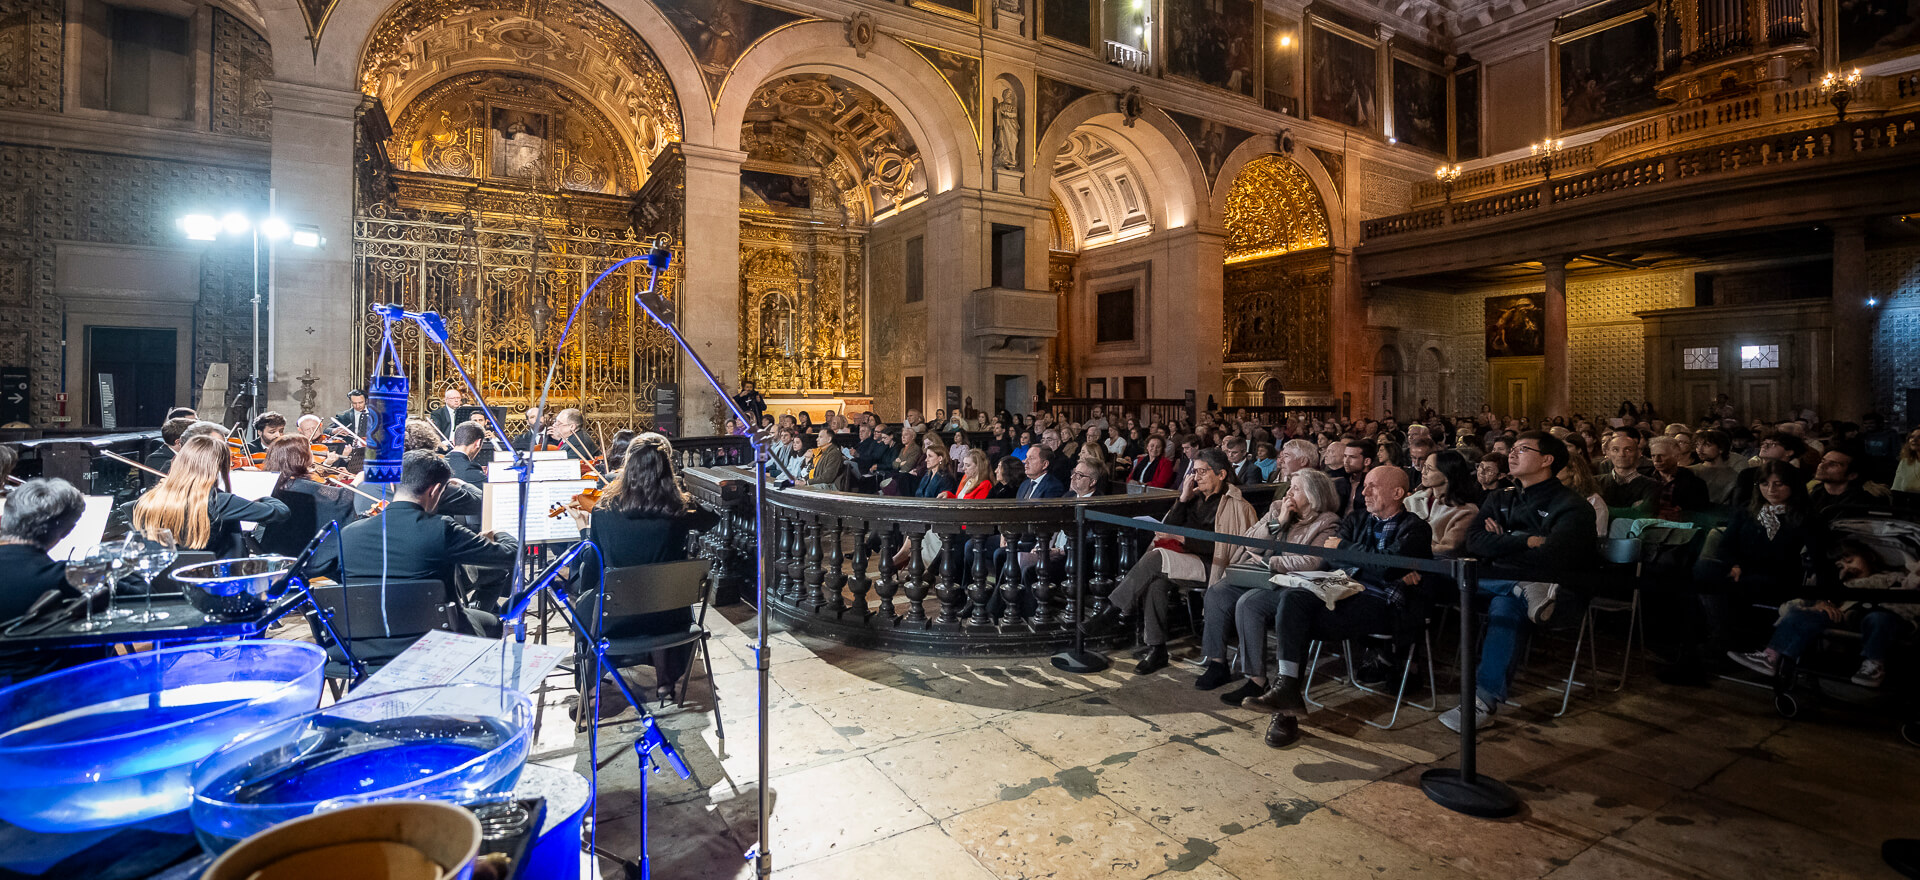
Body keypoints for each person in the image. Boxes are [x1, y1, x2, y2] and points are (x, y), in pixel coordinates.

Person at [1240, 466, 1433, 747]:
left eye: (1373, 487)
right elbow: (1329, 558)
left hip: (1383, 605)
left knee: (1295, 624)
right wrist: (1376, 563)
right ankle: (1286, 698)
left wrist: (1352, 553)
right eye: (1364, 485)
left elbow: (1384, 568)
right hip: (1344, 592)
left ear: (1398, 493)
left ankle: (1285, 705)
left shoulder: (1415, 529)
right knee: (1292, 601)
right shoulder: (1356, 520)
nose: (1364, 492)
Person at [1444, 431, 1595, 733]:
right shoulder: (1500, 497)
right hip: (1496, 579)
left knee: (1507, 603)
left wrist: (1505, 539)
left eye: (1522, 450)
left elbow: (1553, 555)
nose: (1511, 455)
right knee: (1445, 573)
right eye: (1511, 449)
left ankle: (1483, 700)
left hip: (1554, 591)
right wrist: (1526, 541)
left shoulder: (1573, 506)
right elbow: (1474, 542)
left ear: (1547, 460)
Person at [568, 433, 719, 696]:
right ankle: (665, 681)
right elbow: (712, 520)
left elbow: (593, 565)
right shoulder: (680, 510)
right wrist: (682, 494)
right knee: (657, 596)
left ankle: (590, 687)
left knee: (584, 606)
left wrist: (583, 530)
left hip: (617, 617)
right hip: (669, 616)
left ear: (627, 467)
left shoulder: (603, 511)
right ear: (668, 470)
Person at [1082, 448, 1257, 675]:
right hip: (1184, 558)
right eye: (1194, 471)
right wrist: (1182, 499)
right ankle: (1157, 649)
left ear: (1221, 474)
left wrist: (1182, 538)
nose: (1196, 476)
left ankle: (1113, 610)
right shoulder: (1193, 499)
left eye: (1202, 471)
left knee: (1155, 558)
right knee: (1155, 581)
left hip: (1213, 565)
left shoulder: (1236, 505)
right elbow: (1168, 528)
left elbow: (1229, 548)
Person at [308, 450, 517, 638]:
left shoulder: (349, 533)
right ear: (436, 490)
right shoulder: (441, 528)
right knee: (495, 624)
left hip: (362, 644)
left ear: (391, 485)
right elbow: (511, 554)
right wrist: (499, 532)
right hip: (432, 637)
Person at [1197, 469, 1342, 696]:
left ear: (1314, 495)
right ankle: (1217, 662)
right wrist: (1279, 522)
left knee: (1249, 604)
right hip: (1261, 574)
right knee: (1218, 592)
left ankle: (1256, 680)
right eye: (1290, 486)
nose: (1289, 493)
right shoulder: (1276, 509)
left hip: (1290, 583)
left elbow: (1314, 561)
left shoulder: (1327, 522)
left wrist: (1270, 562)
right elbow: (1249, 543)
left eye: (1296, 488)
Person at [1730, 539, 1915, 689]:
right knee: (1802, 613)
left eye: (1850, 561)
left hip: (1880, 614)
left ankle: (1874, 664)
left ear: (1869, 557)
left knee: (1878, 619)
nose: (1847, 568)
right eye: (1840, 566)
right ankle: (1771, 656)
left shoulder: (1891, 577)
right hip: (1841, 615)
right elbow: (1797, 604)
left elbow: (1909, 599)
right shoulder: (1839, 585)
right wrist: (1813, 606)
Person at [1694, 460, 1810, 658]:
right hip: (1742, 571)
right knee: (1702, 570)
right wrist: (1734, 564)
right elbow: (1726, 545)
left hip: (1779, 577)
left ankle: (1723, 638)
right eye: (1765, 484)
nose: (1771, 489)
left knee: (1714, 587)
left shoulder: (1804, 517)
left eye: (1778, 484)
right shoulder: (1748, 511)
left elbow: (1814, 556)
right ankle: (1719, 637)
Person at [132, 435, 290, 558]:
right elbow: (280, 511)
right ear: (217, 468)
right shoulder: (217, 501)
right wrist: (260, 497)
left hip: (168, 583)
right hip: (218, 581)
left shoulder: (149, 499)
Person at [253, 437, 361, 558]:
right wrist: (356, 482)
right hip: (300, 550)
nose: (312, 453)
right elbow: (341, 499)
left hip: (273, 545)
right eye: (309, 449)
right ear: (300, 457)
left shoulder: (276, 483)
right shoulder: (302, 486)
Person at [1406, 449, 1483, 557]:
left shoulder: (1466, 511)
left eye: (1429, 469)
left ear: (1447, 475)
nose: (1423, 472)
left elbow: (1448, 549)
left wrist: (1411, 546)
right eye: (1424, 467)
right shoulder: (1414, 499)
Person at [1645, 435, 1712, 521]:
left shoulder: (1695, 484)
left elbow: (1701, 514)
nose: (1657, 460)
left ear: (1677, 456)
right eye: (1653, 456)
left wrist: (1683, 515)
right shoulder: (1643, 478)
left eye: (1662, 455)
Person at [1896, 428, 1920, 494]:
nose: (1914, 440)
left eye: (1919, 437)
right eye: (1912, 437)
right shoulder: (1905, 461)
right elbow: (1896, 488)